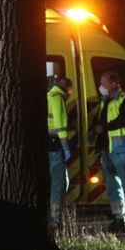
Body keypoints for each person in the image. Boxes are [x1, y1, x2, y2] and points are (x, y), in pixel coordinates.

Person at [92, 71, 125, 234]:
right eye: (101, 83)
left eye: (105, 83)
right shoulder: (105, 102)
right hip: (107, 150)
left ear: (115, 83)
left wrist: (103, 128)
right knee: (113, 188)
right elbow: (100, 124)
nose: (102, 86)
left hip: (122, 149)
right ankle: (120, 220)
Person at [47, 77, 73, 229]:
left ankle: (52, 219)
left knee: (54, 184)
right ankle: (56, 222)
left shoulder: (47, 95)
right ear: (67, 89)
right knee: (60, 184)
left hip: (46, 146)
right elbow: (61, 126)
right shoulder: (58, 99)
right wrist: (66, 147)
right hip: (56, 147)